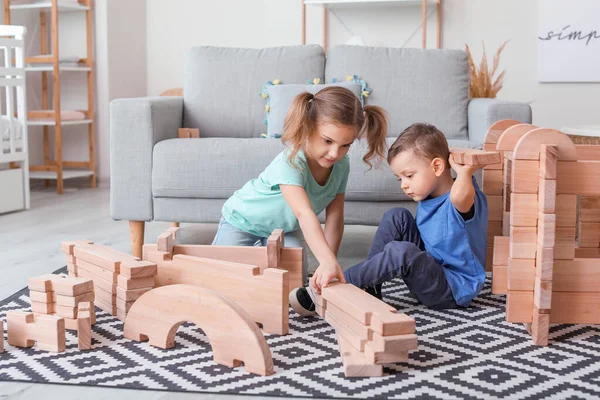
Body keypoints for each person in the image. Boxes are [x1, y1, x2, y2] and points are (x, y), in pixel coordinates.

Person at [212, 86, 388, 315]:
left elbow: (335, 217)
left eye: (345, 145)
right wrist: (326, 260)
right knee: (220, 278)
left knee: (295, 282)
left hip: (283, 230)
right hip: (242, 221)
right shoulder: (291, 161)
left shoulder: (341, 165)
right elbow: (304, 214)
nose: (335, 153)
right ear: (308, 128)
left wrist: (329, 262)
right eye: (327, 141)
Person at [291, 122, 488, 315]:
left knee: (401, 252)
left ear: (437, 167)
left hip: (451, 290)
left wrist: (464, 171)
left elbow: (459, 196)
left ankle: (333, 288)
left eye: (409, 176)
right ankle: (370, 285)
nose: (403, 185)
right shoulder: (430, 196)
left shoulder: (463, 198)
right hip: (429, 271)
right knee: (397, 216)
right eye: (400, 178)